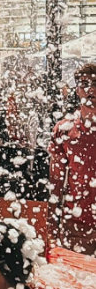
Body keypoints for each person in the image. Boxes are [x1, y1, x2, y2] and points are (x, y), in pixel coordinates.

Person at [48, 63, 96, 256]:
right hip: (77, 224)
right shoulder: (64, 129)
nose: (90, 89)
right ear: (77, 90)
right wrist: (51, 223)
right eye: (84, 84)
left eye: (95, 84)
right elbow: (55, 180)